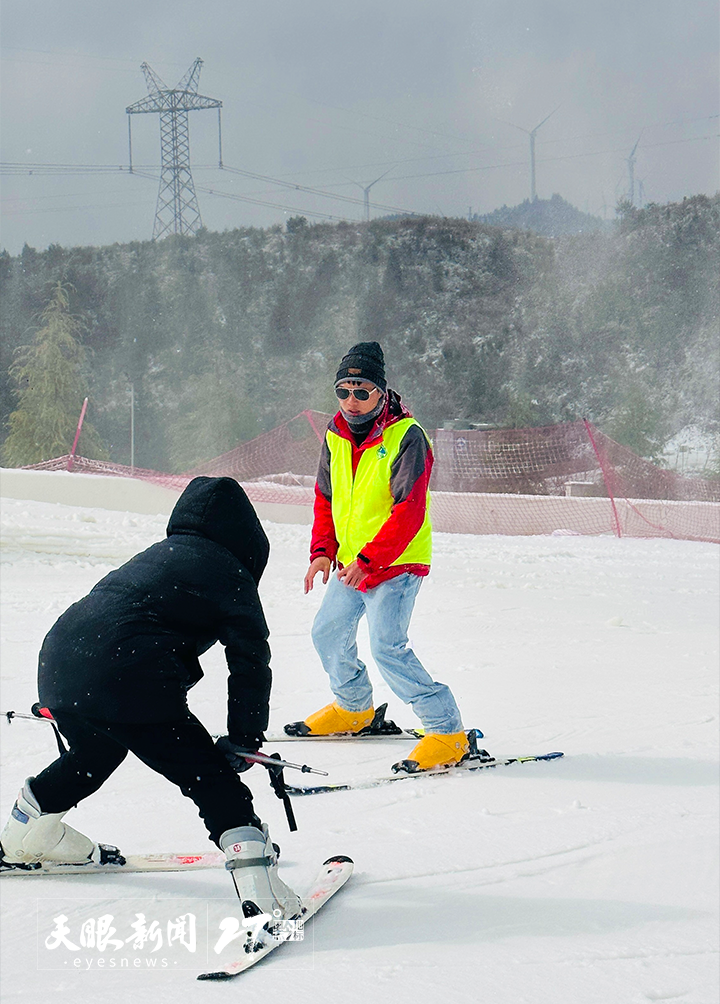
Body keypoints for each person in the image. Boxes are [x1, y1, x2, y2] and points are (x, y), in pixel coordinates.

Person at [0, 477, 301, 922]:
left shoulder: (158, 556)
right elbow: (250, 662)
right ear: (249, 539)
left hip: (60, 663)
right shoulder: (231, 572)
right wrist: (244, 737)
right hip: (129, 673)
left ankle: (24, 837)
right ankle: (262, 891)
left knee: (94, 753)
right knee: (209, 778)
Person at [287, 341, 468, 771]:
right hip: (352, 564)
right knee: (327, 633)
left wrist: (370, 560)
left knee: (388, 647)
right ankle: (354, 709)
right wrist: (321, 552)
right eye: (343, 391)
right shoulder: (334, 434)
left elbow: (410, 511)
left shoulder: (407, 437)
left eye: (361, 391)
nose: (351, 401)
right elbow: (324, 497)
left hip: (396, 562)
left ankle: (446, 732)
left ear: (381, 392)